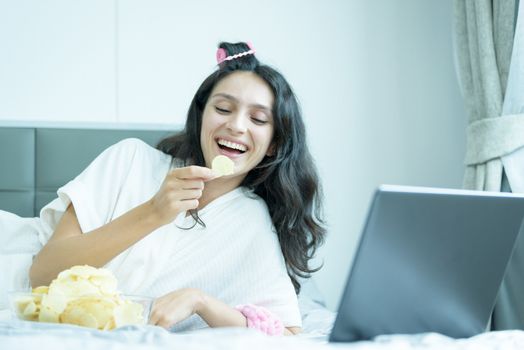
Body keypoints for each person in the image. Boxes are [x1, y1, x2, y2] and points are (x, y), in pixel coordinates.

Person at [29, 41, 326, 335]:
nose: (236, 125)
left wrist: (200, 302)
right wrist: (153, 213)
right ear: (201, 116)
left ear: (273, 144)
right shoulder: (131, 159)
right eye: (223, 108)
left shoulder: (253, 220)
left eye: (258, 119)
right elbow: (42, 274)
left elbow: (287, 334)